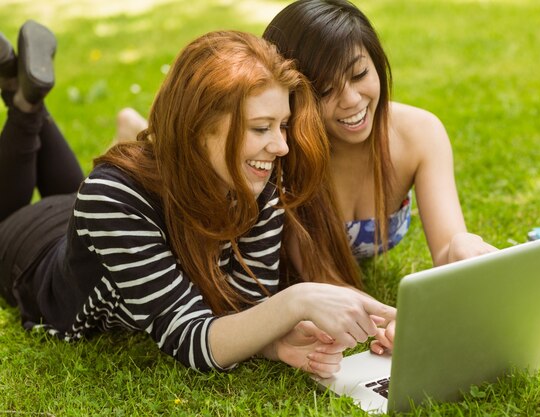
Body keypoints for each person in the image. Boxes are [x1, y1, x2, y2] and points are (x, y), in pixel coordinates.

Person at [0, 21, 396, 377]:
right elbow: (191, 339)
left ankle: (26, 97)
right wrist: (297, 301)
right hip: (30, 250)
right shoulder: (111, 197)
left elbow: (241, 310)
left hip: (93, 222)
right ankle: (25, 102)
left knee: (73, 192)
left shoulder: (257, 183)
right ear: (198, 127)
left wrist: (274, 342)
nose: (281, 147)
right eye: (261, 128)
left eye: (283, 126)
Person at [262, 0, 497, 264]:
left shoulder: (420, 134)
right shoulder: (280, 150)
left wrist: (462, 245)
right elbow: (322, 280)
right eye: (325, 90)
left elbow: (446, 251)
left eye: (359, 74)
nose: (351, 99)